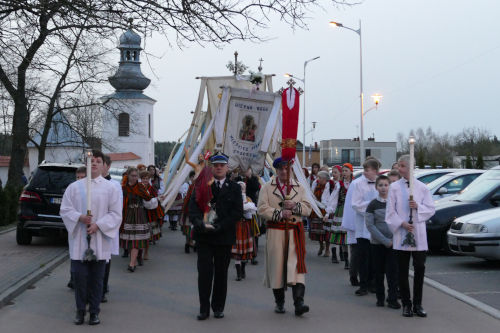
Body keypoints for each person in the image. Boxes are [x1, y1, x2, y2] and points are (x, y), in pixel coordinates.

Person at [60, 150, 122, 325]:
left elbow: (116, 214)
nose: (94, 163)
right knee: (80, 278)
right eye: (91, 160)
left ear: (103, 165)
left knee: (96, 280)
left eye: (98, 161)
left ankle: (94, 312)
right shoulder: (75, 187)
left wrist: (98, 225)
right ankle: (80, 311)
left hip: (100, 240)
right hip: (80, 240)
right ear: (86, 164)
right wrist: (80, 217)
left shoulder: (110, 188)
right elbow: (64, 209)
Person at [189, 152, 243, 320]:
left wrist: (221, 226)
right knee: (204, 274)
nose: (219, 168)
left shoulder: (234, 187)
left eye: (222, 165)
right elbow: (193, 208)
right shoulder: (202, 184)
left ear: (227, 167)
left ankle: (218, 306)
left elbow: (237, 212)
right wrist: (200, 223)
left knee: (221, 274)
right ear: (211, 167)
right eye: (216, 165)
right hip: (204, 236)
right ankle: (204, 308)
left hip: (223, 236)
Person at [258, 157, 312, 316]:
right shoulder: (267, 188)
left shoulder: (300, 187)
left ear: (291, 170)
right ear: (276, 170)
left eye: (286, 168)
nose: (283, 171)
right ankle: (279, 302)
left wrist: (295, 206)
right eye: (280, 168)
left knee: (296, 268)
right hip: (276, 232)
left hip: (295, 232)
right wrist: (279, 213)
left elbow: (308, 208)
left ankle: (299, 303)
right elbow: (261, 208)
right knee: (277, 268)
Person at [386, 155, 435, 318]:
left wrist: (418, 206)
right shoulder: (394, 188)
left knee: (420, 267)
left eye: (402, 166)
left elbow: (430, 209)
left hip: (418, 233)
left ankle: (418, 304)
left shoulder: (422, 187)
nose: (399, 169)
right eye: (399, 166)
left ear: (410, 167)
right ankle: (406, 304)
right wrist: (401, 223)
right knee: (402, 270)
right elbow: (390, 212)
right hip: (402, 233)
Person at [365, 175, 401, 309]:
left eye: (386, 185)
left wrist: (394, 240)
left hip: (394, 243)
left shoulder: (395, 203)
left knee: (393, 273)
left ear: (390, 187)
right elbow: (370, 226)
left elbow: (399, 221)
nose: (383, 188)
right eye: (380, 185)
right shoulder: (372, 205)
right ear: (376, 187)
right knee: (379, 272)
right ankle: (380, 298)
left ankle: (392, 299)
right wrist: (385, 241)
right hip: (378, 244)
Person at [350, 158, 380, 296]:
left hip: (377, 227)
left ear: (375, 170)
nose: (365, 173)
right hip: (363, 227)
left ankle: (373, 283)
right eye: (364, 170)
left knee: (375, 258)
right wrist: (372, 209)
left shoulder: (381, 182)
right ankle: (363, 285)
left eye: (367, 170)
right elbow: (355, 204)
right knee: (363, 257)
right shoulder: (357, 184)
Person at [120, 167, 154, 272]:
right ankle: (135, 259)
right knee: (130, 239)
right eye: (132, 176)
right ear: (128, 176)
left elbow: (148, 198)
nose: (134, 178)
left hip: (139, 214)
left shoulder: (140, 187)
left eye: (136, 176)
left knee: (136, 239)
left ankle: (132, 263)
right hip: (128, 215)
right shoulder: (123, 188)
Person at [100, 155, 123, 303]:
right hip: (91, 227)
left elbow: (117, 209)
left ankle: (102, 289)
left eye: (100, 163)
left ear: (107, 166)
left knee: (104, 260)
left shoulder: (114, 185)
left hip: (106, 227)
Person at [66, 166, 89, 290]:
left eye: (82, 177)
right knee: (75, 254)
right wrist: (78, 216)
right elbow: (66, 209)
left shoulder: (92, 190)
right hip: (76, 227)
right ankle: (73, 278)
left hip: (90, 228)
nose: (79, 180)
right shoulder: (72, 189)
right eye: (77, 177)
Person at [232, 181, 257, 281]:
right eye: (240, 188)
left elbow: (251, 215)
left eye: (243, 188)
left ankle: (243, 269)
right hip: (236, 226)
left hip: (245, 226)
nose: (241, 190)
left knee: (244, 251)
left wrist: (247, 208)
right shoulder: (233, 198)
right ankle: (238, 273)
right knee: (237, 251)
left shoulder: (248, 199)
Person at [326, 165, 350, 266]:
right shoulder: (339, 185)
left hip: (349, 212)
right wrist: (328, 212)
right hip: (340, 210)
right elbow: (333, 199)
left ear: (351, 172)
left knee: (346, 236)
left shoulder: (354, 184)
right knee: (336, 234)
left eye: (346, 170)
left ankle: (346, 259)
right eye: (343, 171)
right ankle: (335, 255)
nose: (344, 172)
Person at [309, 170, 333, 257]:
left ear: (324, 179)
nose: (318, 179)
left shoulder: (330, 186)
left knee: (326, 231)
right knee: (318, 231)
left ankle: (327, 249)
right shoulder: (316, 185)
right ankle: (321, 246)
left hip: (326, 210)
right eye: (318, 177)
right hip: (317, 209)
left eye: (319, 177)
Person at [243, 167, 261, 265]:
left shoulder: (254, 179)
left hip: (251, 208)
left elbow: (256, 188)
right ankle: (241, 254)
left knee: (254, 232)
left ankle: (253, 255)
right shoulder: (239, 178)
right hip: (239, 210)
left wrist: (250, 177)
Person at [180, 171, 196, 253]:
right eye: (193, 176)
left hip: (196, 210)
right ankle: (187, 243)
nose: (194, 178)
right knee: (188, 227)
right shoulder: (187, 185)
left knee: (195, 227)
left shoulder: (200, 185)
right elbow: (184, 195)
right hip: (188, 209)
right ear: (190, 177)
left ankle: (194, 242)